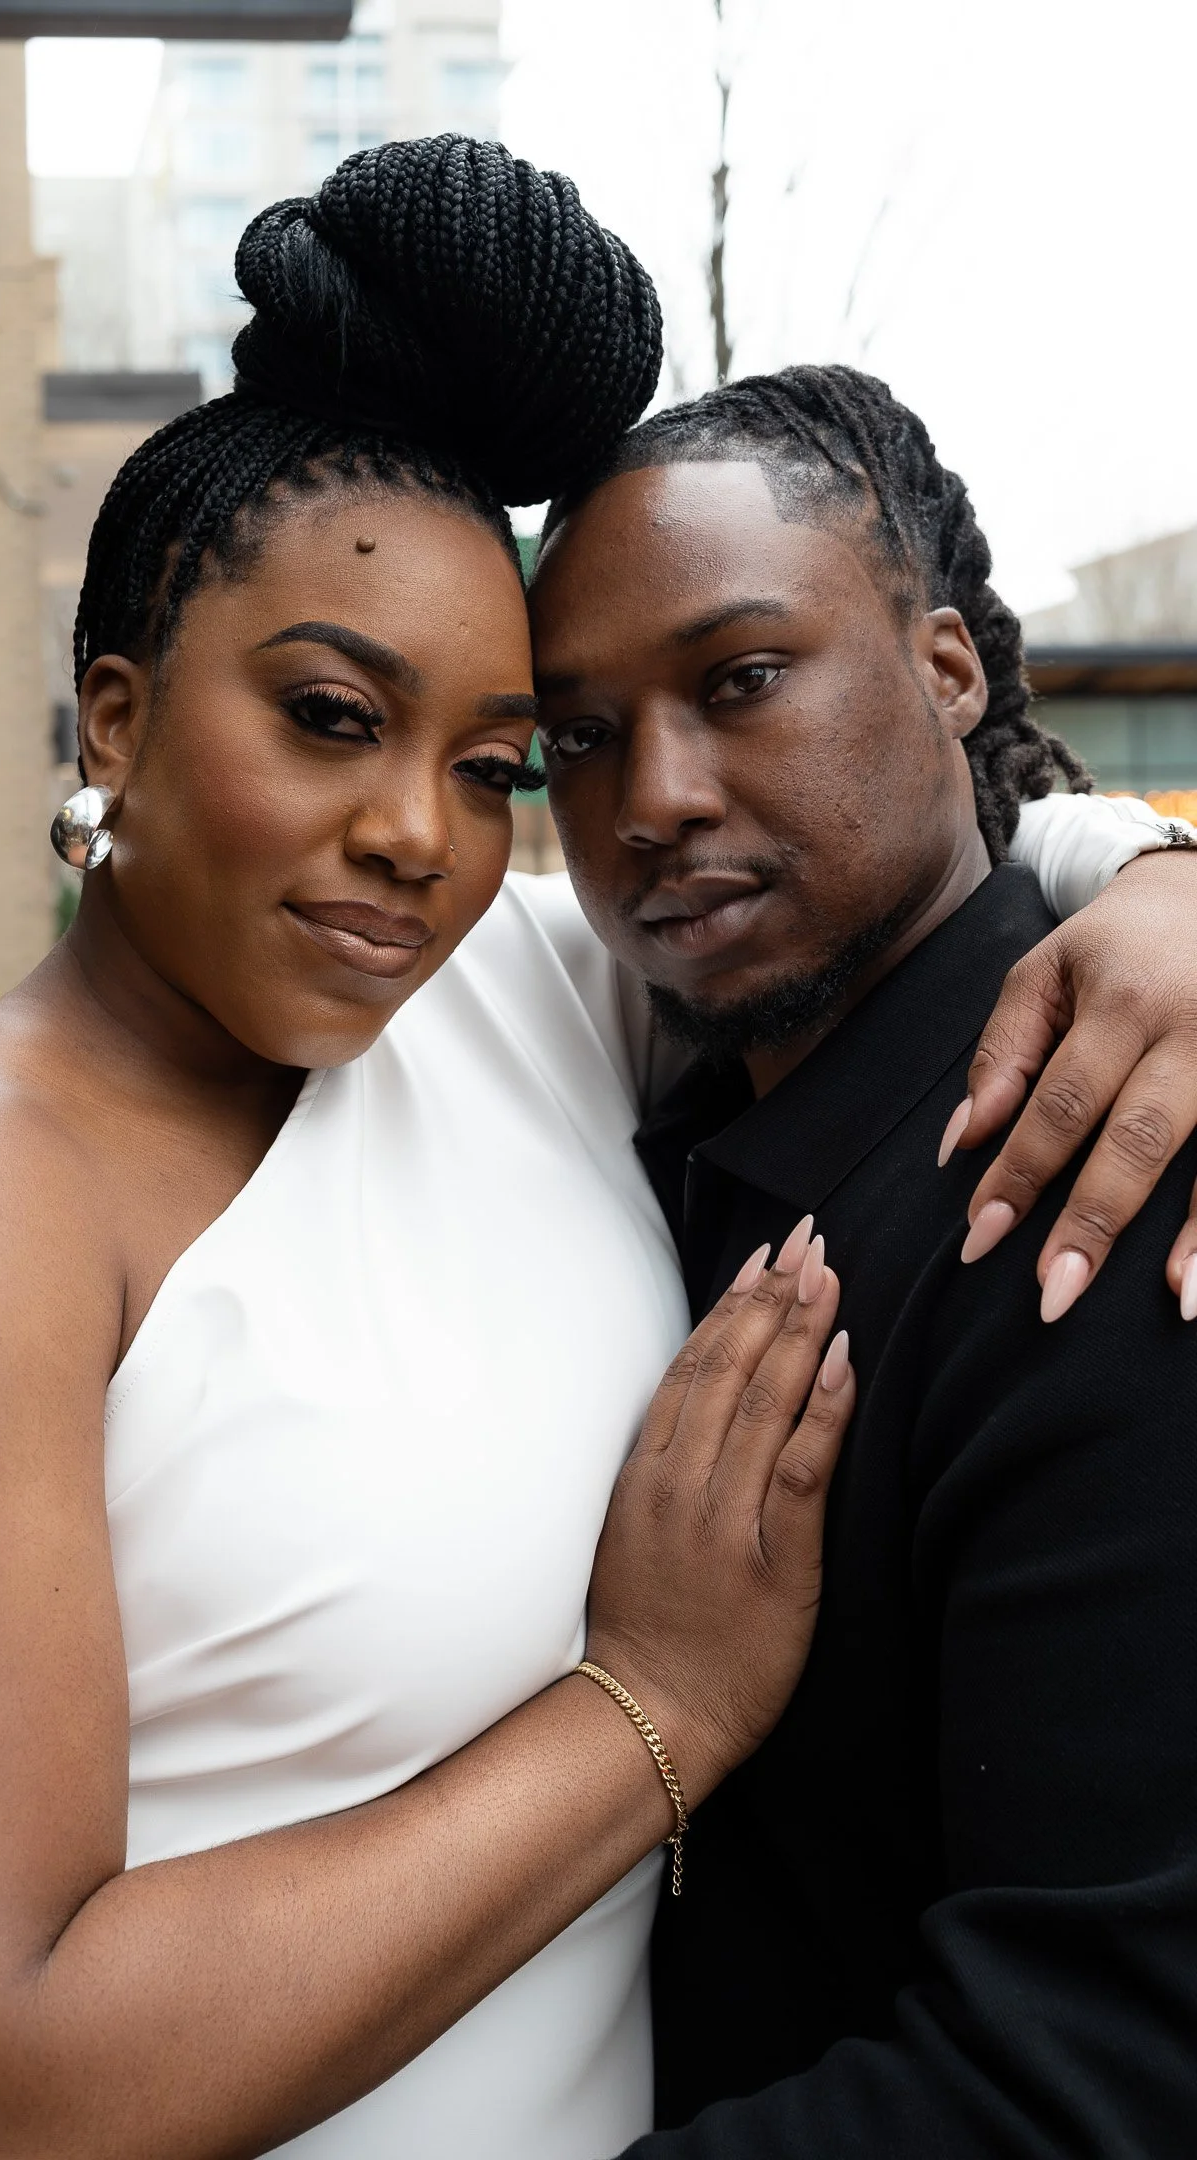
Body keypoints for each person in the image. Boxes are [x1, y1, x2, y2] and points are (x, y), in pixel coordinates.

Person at [0, 143, 1191, 2160]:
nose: (425, 835)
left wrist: (1150, 883)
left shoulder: (517, 992)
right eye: (334, 716)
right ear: (115, 718)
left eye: (501, 764)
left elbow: (873, 881)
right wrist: (654, 1709)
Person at [523, 362, 1197, 2156]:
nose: (651, 796)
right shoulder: (637, 1096)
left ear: (948, 670)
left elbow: (1100, 2075)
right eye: (576, 736)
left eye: (742, 681)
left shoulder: (1106, 1191)